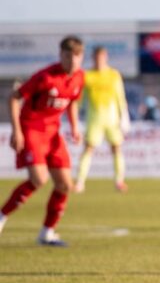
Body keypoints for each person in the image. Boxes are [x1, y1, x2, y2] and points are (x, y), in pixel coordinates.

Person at [0, 36, 85, 246]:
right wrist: (16, 131)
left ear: (81, 57)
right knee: (39, 179)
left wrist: (74, 126)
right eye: (68, 56)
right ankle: (1, 216)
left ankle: (47, 233)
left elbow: (72, 102)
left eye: (76, 56)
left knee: (65, 184)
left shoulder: (80, 77)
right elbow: (14, 97)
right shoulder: (45, 77)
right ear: (61, 55)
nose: (72, 60)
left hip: (53, 132)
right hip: (32, 128)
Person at [74, 46, 131, 193]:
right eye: (96, 57)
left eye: (102, 57)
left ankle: (119, 181)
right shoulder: (87, 75)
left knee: (116, 147)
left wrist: (124, 117)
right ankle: (80, 182)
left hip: (112, 119)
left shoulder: (113, 75)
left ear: (105, 58)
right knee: (88, 148)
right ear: (93, 58)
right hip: (94, 119)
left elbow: (120, 97)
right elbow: (79, 99)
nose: (99, 60)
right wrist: (74, 117)